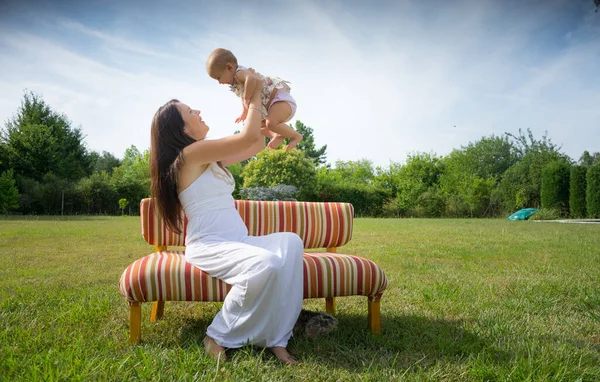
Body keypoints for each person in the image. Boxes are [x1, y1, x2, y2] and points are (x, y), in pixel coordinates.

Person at [149, 85, 304, 364]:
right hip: (210, 244)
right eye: (190, 112)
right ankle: (217, 335)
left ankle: (277, 337)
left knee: (291, 242)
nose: (198, 111)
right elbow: (246, 136)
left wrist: (260, 115)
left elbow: (254, 143)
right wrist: (255, 94)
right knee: (265, 264)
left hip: (238, 239)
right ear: (182, 129)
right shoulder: (189, 156)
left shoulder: (209, 158)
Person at [206, 48, 303, 150]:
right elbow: (243, 96)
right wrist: (244, 111)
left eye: (218, 77)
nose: (220, 83)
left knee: (270, 123)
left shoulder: (239, 72)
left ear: (229, 67)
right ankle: (277, 134)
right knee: (254, 126)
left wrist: (246, 97)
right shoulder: (236, 82)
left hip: (280, 101)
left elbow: (251, 79)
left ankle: (296, 136)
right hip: (271, 107)